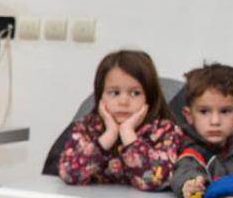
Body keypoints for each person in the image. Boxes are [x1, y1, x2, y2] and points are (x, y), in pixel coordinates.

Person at [56, 50, 185, 190]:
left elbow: (157, 180)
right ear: (100, 96)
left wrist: (128, 134)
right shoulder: (87, 127)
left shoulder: (165, 131)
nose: (123, 101)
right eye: (114, 92)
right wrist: (109, 136)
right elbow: (69, 175)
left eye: (135, 93)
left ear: (150, 97)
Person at [171, 63, 233, 198]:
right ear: (189, 115)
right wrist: (190, 185)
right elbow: (185, 170)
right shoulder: (187, 146)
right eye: (204, 111)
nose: (215, 121)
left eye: (225, 111)